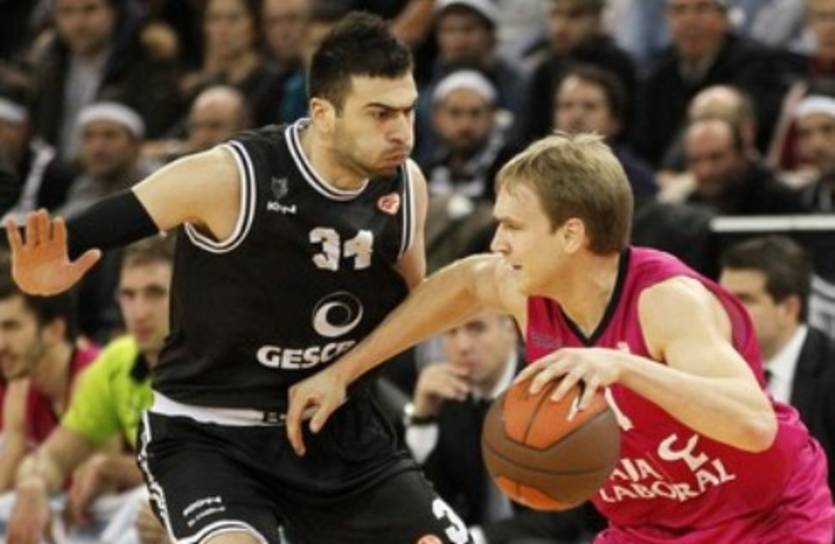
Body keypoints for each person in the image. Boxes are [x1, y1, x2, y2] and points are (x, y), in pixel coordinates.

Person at [4, 12, 474, 544]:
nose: (402, 132)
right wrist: (41, 270)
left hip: (335, 431)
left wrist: (345, 375)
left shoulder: (407, 186)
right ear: (323, 114)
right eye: (380, 114)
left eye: (409, 111)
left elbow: (412, 311)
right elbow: (80, 233)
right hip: (210, 435)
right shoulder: (230, 177)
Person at [287, 132, 835, 543]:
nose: (498, 243)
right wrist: (344, 371)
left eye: (513, 226)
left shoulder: (667, 302)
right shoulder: (526, 290)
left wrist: (624, 367)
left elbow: (755, 424)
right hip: (648, 527)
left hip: (768, 521)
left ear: (571, 233)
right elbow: (462, 284)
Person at [7, 236, 174, 543]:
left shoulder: (221, 364)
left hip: (221, 512)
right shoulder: (118, 361)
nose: (139, 312)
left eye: (155, 294)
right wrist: (33, 485)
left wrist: (115, 468)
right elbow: (53, 458)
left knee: (151, 507)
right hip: (149, 512)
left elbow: (238, 472)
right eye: (128, 295)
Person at [719, 236, 835, 496]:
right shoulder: (708, 368)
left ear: (789, 308)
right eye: (722, 298)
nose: (726, 311)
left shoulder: (829, 370)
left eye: (744, 299)